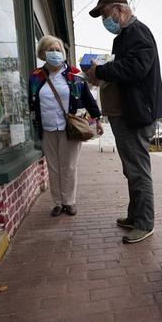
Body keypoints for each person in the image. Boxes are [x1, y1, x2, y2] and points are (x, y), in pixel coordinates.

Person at [86, 0, 162, 243]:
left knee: (138, 170)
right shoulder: (125, 35)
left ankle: (144, 222)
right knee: (131, 169)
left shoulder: (137, 31)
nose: (104, 22)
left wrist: (102, 70)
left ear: (119, 9)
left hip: (136, 114)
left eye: (105, 15)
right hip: (128, 112)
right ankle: (135, 216)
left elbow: (136, 67)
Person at [29, 35, 104, 217]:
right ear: (42, 53)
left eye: (57, 50)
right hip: (47, 128)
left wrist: (97, 118)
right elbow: (31, 102)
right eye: (50, 50)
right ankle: (57, 203)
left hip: (69, 128)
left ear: (62, 53)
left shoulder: (74, 73)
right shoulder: (36, 76)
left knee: (69, 166)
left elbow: (87, 98)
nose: (55, 53)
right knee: (53, 167)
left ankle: (69, 201)